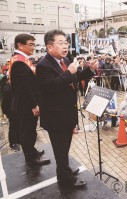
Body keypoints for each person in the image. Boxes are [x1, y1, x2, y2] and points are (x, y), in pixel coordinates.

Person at [36, 30, 97, 188]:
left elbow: (74, 79)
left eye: (66, 43)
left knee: (64, 148)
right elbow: (51, 87)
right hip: (56, 117)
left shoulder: (64, 60)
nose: (66, 46)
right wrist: (69, 72)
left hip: (67, 114)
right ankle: (65, 180)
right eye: (61, 43)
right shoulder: (43, 65)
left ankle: (65, 171)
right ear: (50, 47)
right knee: (60, 150)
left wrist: (89, 70)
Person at [10, 33, 50, 165]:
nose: (34, 47)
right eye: (31, 44)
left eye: (34, 44)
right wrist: (34, 105)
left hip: (25, 104)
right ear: (20, 45)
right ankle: (31, 159)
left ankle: (32, 151)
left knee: (30, 130)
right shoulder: (19, 63)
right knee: (27, 131)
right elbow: (24, 88)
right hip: (25, 105)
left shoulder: (21, 59)